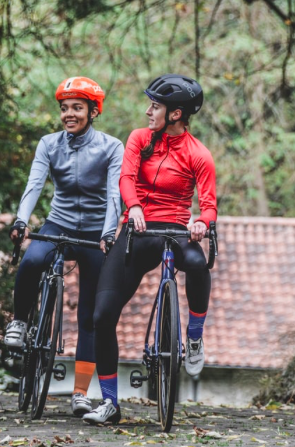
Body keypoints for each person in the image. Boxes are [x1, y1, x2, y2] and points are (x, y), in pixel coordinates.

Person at [83, 73, 217, 424]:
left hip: (174, 229)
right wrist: (136, 206)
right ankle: (110, 403)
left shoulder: (198, 154)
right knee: (102, 315)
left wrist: (202, 222)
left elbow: (209, 203)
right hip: (137, 227)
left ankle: (195, 336)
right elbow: (126, 178)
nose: (148, 111)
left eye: (155, 106)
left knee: (199, 266)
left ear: (175, 114)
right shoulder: (139, 139)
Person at [4, 76, 124, 417]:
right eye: (64, 108)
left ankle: (80, 394)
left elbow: (115, 195)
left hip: (95, 233)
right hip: (58, 223)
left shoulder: (111, 147)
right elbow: (34, 184)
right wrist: (21, 220)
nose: (68, 114)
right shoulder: (49, 144)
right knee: (31, 260)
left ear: (92, 111)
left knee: (89, 315)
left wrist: (108, 233)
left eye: (77, 108)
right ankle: (19, 322)